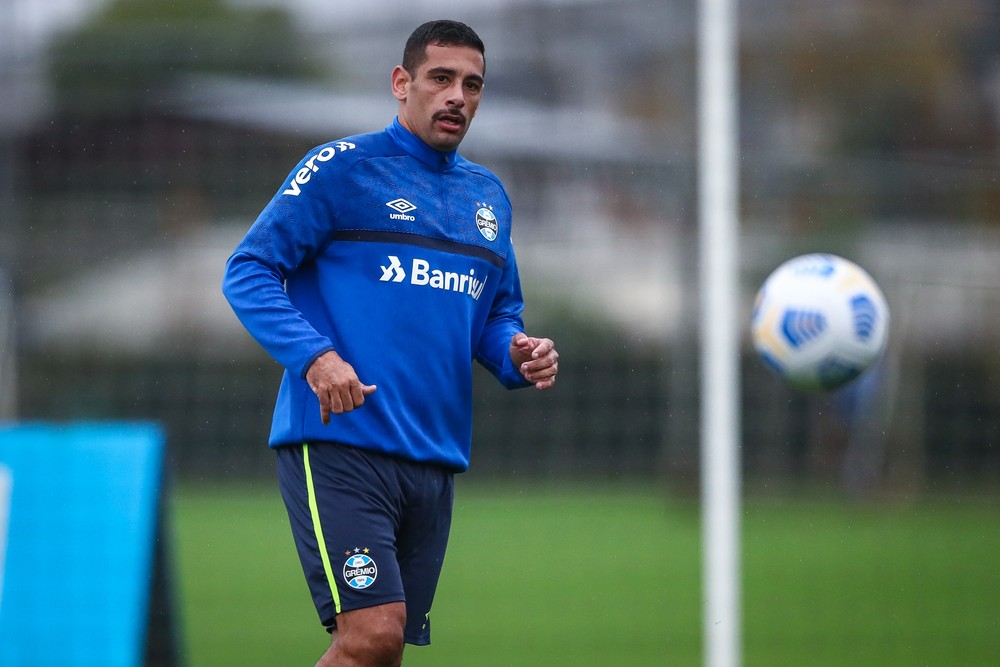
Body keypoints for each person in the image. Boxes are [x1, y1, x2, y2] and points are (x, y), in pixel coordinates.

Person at [222, 19, 559, 667]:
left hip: (433, 455)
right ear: (402, 83)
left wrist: (517, 352)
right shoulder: (344, 170)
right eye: (441, 78)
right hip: (341, 443)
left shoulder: (487, 197)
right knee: (371, 634)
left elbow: (496, 312)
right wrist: (315, 357)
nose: (457, 96)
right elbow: (248, 269)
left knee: (383, 649)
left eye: (472, 85)